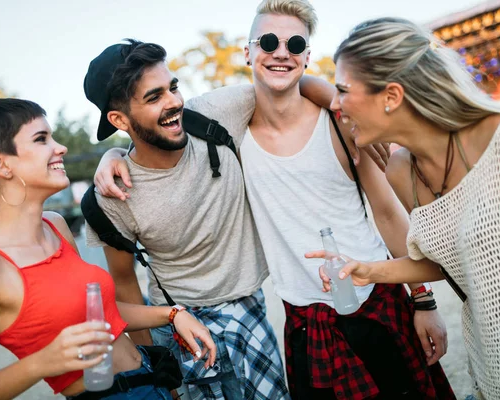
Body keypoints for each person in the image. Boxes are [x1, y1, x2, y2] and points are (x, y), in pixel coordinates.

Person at [94, 2, 454, 399]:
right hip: (301, 320)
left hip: (377, 302)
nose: (281, 52)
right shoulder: (233, 131)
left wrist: (424, 301)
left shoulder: (337, 121)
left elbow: (387, 214)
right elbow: (152, 136)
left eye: (295, 43)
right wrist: (112, 156)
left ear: (306, 56)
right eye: (268, 41)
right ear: (248, 52)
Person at [312, 17, 500, 400]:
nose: (334, 103)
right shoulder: (401, 171)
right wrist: (368, 270)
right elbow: (450, 259)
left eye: (341, 90)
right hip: (496, 371)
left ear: (391, 96)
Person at [0, 98, 216, 400]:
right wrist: (41, 363)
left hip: (155, 379)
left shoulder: (55, 226)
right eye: (41, 139)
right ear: (0, 163)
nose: (60, 148)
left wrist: (172, 314)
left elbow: (102, 314)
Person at [82, 40, 290, 400]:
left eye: (173, 87)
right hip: (179, 325)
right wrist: (157, 367)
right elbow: (125, 284)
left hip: (249, 305)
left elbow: (292, 84)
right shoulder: (111, 197)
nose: (174, 102)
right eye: (154, 97)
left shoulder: (214, 113)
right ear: (118, 120)